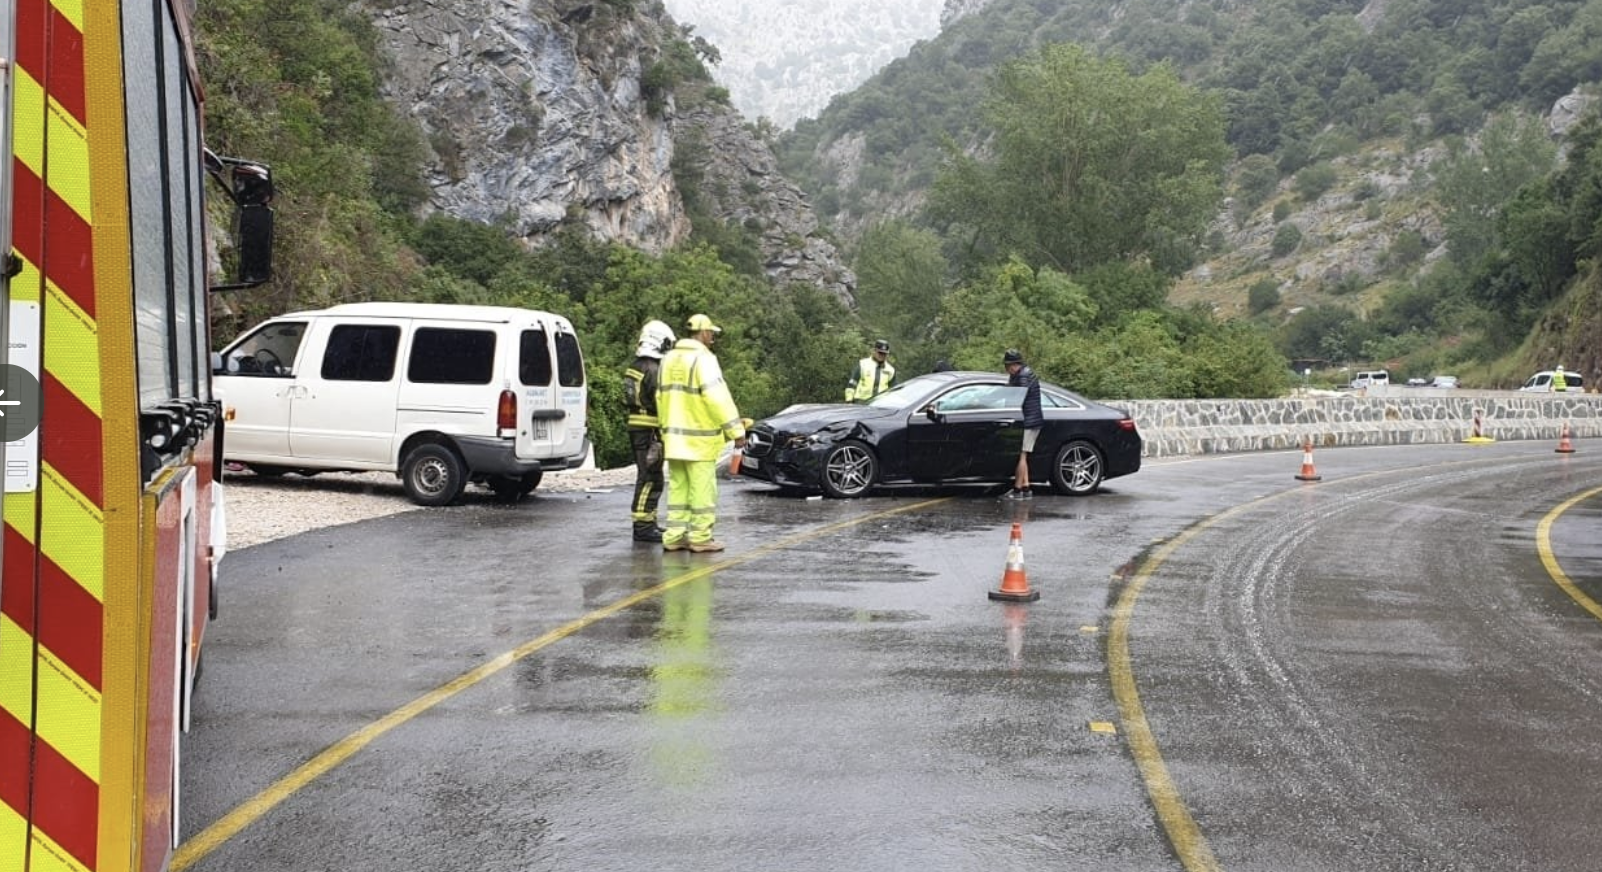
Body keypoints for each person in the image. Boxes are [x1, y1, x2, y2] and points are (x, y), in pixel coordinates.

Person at [657, 314, 747, 553]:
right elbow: (717, 397)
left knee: (678, 489)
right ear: (704, 333)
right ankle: (700, 538)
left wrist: (664, 429)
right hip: (699, 439)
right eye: (712, 334)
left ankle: (674, 536)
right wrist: (736, 430)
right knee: (702, 490)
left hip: (674, 438)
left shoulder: (668, 359)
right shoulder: (703, 359)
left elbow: (660, 397)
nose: (713, 339)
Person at [623, 319, 676, 542]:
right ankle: (643, 525)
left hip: (638, 427)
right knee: (650, 477)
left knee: (647, 475)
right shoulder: (654, 370)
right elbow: (662, 401)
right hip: (650, 430)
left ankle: (647, 522)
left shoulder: (635, 366)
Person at [1002, 348, 1042, 500]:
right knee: (1023, 454)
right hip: (1029, 419)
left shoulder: (1023, 376)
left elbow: (1018, 395)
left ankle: (1017, 490)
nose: (1007, 369)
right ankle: (1026, 488)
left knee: (1022, 455)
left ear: (1015, 364)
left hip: (1029, 421)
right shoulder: (1020, 374)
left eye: (1009, 366)